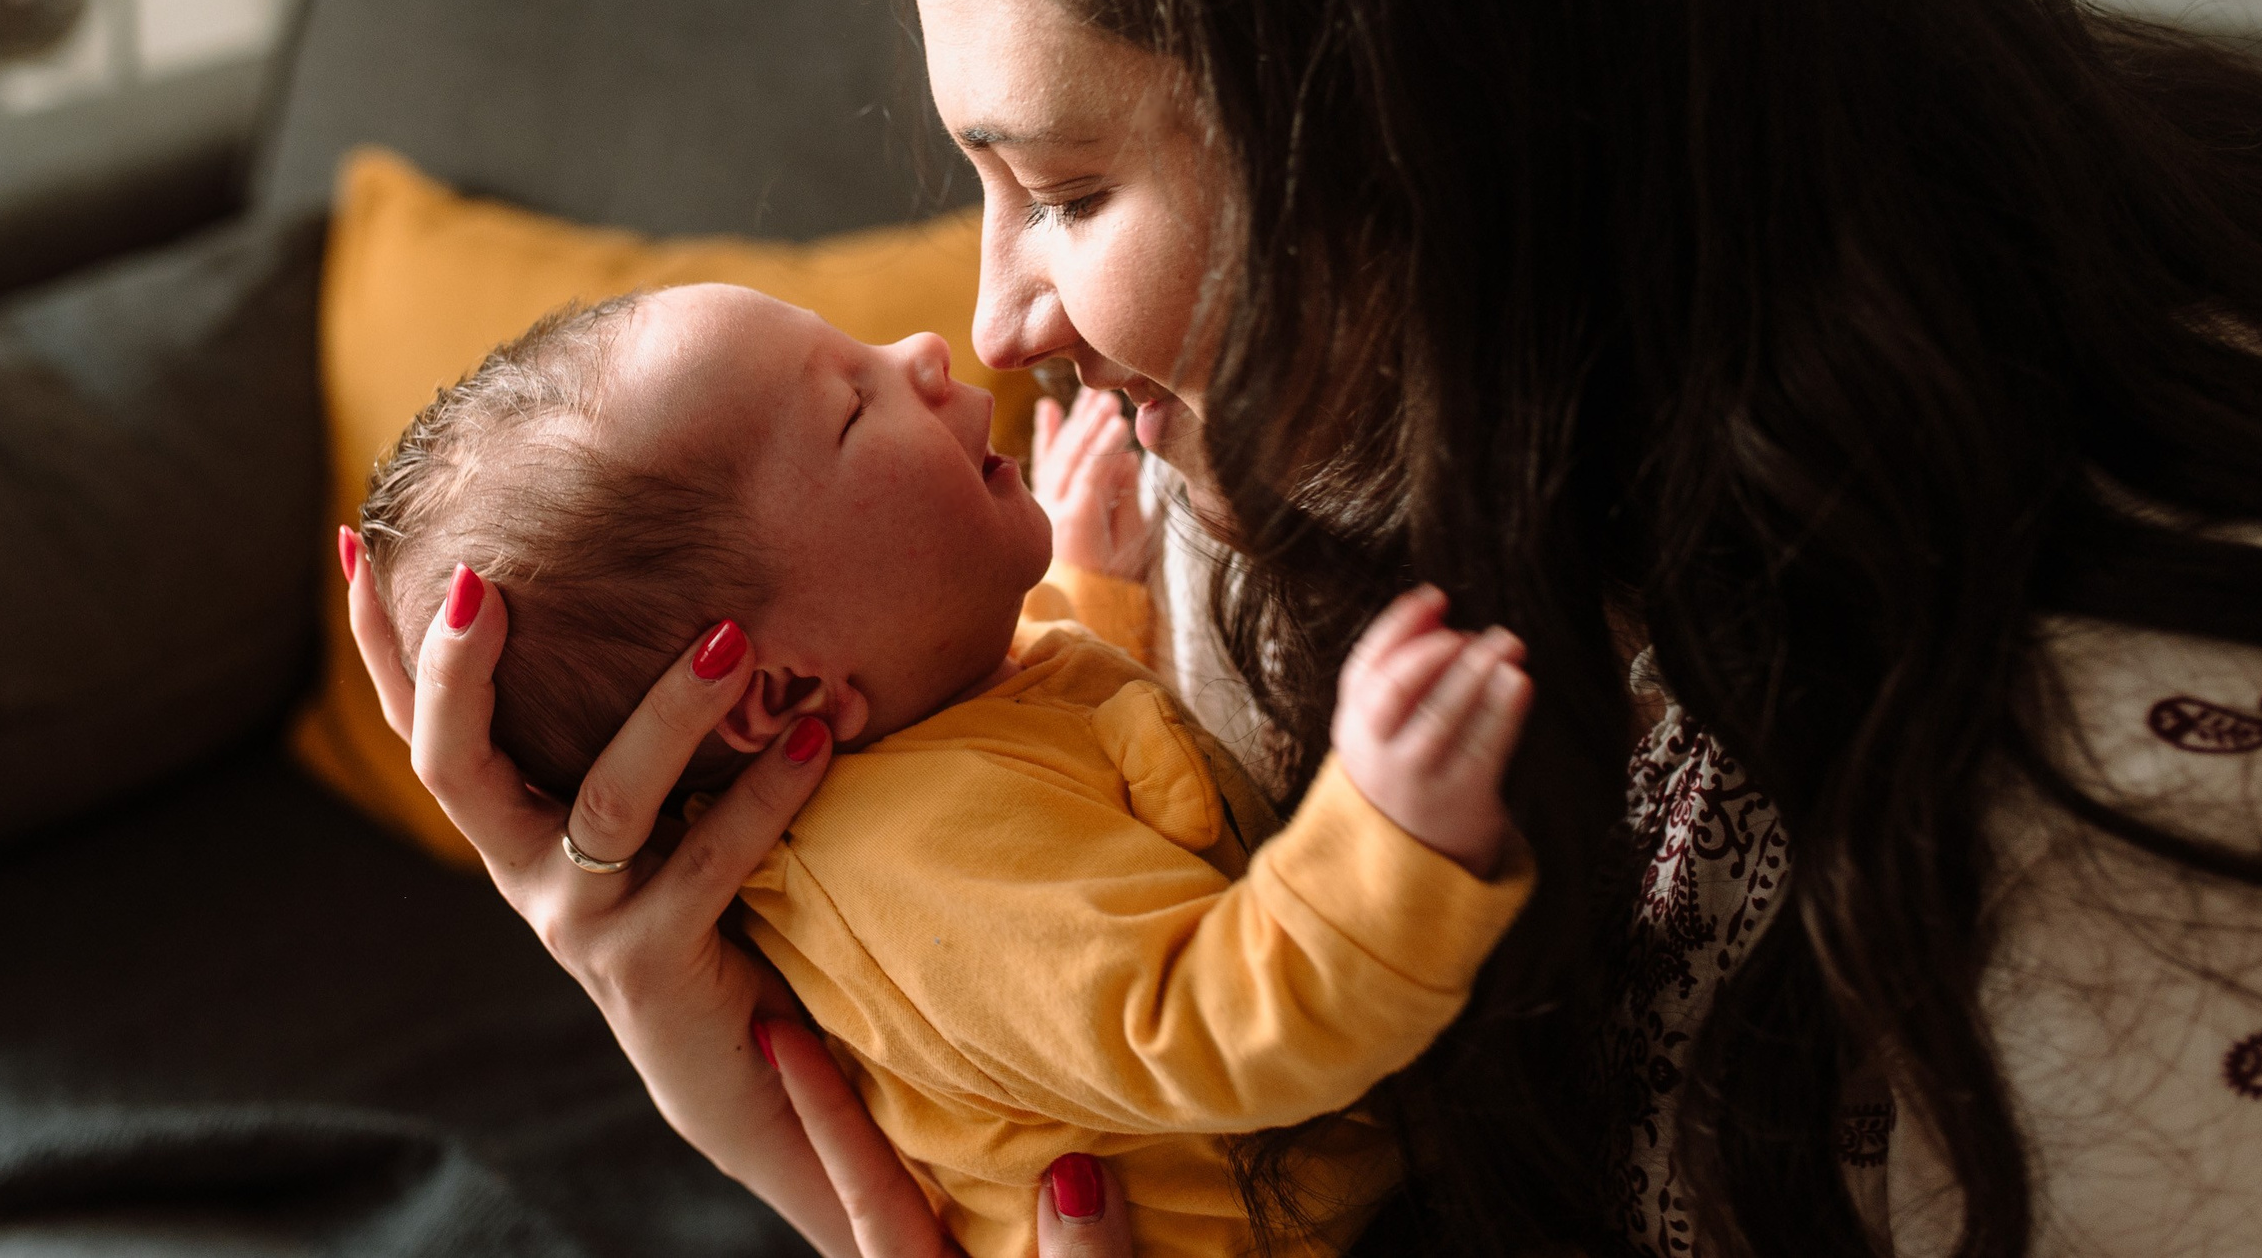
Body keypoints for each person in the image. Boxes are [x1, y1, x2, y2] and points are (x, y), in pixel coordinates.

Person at [346, 0, 2262, 1253]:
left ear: (1434, 128)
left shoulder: (2149, 810)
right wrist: (744, 1067)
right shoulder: (1276, 482)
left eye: (1060, 190)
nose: (990, 318)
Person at [349, 282, 1536, 1258]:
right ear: (781, 693)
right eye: (852, 409)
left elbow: (1054, 726)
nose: (923, 348)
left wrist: (1096, 586)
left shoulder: (923, 715)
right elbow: (1203, 1017)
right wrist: (1387, 833)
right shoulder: (914, 865)